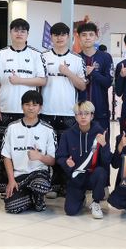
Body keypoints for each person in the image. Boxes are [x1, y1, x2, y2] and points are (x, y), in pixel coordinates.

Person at [0, 18, 47, 194]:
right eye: (16, 30)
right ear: (11, 32)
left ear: (27, 34)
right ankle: (3, 186)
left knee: (25, 149)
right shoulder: (0, 55)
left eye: (23, 31)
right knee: (3, 151)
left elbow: (42, 80)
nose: (19, 33)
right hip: (6, 110)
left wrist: (20, 80)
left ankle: (25, 184)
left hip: (29, 112)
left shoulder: (36, 55)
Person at [41, 22, 86, 198]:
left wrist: (68, 72)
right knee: (49, 150)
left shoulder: (77, 59)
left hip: (68, 112)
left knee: (68, 150)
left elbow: (82, 86)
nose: (59, 38)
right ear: (51, 37)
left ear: (68, 37)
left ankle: (67, 184)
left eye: (63, 34)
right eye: (56, 35)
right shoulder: (43, 57)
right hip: (46, 111)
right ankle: (52, 185)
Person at [2, 91, 56, 214]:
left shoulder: (48, 130)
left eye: (35, 105)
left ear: (40, 107)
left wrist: (40, 156)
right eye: (27, 104)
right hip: (19, 175)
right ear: (22, 106)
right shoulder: (12, 128)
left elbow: (52, 161)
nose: (31, 108)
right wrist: (11, 180)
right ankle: (31, 197)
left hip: (39, 173)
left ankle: (37, 196)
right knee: (12, 207)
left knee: (40, 185)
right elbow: (6, 156)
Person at [57, 100, 111, 218]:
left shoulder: (100, 133)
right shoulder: (67, 135)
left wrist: (104, 146)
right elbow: (60, 156)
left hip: (93, 175)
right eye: (79, 113)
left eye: (86, 113)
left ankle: (96, 202)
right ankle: (81, 199)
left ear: (92, 116)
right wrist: (66, 163)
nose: (83, 117)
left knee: (101, 172)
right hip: (76, 176)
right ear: (75, 116)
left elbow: (107, 160)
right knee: (70, 211)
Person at [77, 22, 114, 139]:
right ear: (79, 37)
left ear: (96, 36)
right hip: (80, 111)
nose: (87, 38)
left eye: (91, 34)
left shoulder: (105, 57)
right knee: (81, 144)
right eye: (84, 35)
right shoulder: (75, 58)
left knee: (102, 144)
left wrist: (94, 73)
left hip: (100, 110)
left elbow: (108, 82)